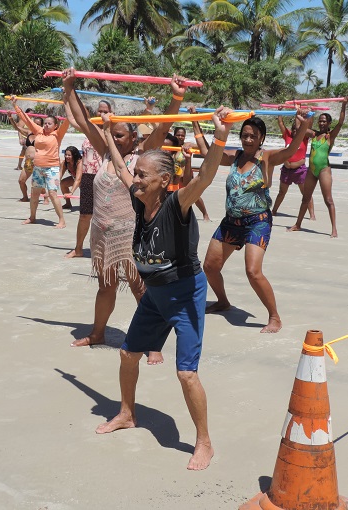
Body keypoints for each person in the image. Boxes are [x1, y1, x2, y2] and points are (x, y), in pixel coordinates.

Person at [93, 107, 234, 471]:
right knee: (127, 355)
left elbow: (203, 177)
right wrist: (109, 132)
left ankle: (204, 442)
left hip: (185, 296)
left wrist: (219, 136)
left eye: (143, 176)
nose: (135, 181)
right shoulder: (141, 203)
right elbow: (120, 165)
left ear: (162, 179)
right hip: (155, 296)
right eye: (136, 175)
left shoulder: (176, 205)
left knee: (186, 372)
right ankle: (127, 413)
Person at [63, 68, 187, 363]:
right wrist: (69, 87)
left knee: (140, 288)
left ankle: (153, 342)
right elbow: (82, 121)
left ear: (133, 135)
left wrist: (176, 97)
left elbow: (163, 125)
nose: (115, 140)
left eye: (120, 136)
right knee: (105, 286)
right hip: (103, 231)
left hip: (132, 234)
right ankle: (98, 333)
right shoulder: (106, 152)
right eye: (113, 135)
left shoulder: (142, 157)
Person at [199, 112, 314, 333]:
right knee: (210, 267)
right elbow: (208, 153)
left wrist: (305, 125)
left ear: (261, 138)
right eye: (245, 135)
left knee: (253, 271)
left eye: (253, 136)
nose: (248, 140)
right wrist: (196, 122)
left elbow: (290, 151)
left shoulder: (266, 157)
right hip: (231, 223)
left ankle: (274, 317)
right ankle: (223, 301)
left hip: (257, 222)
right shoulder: (235, 157)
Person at [288, 99, 348, 237]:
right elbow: (299, 129)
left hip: (323, 170)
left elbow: (340, 123)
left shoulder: (329, 136)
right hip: (311, 170)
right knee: (305, 198)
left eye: (324, 121)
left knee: (328, 200)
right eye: (320, 121)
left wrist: (343, 105)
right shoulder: (313, 134)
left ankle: (334, 229)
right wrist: (298, 112)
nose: (321, 123)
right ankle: (298, 224)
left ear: (328, 124)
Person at [62, 100, 113, 258]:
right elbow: (72, 119)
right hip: (88, 177)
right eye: (99, 111)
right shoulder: (90, 129)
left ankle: (108, 250)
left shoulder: (113, 129)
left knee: (107, 217)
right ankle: (78, 249)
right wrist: (66, 100)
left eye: (105, 111)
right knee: (85, 214)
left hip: (105, 176)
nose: (101, 114)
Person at [10, 99, 70, 228]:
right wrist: (15, 105)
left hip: (52, 169)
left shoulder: (58, 134)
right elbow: (26, 119)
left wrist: (68, 103)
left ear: (55, 126)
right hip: (38, 168)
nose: (46, 125)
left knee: (53, 193)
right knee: (35, 193)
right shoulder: (39, 131)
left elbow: (68, 119)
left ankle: (62, 220)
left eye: (49, 124)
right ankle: (32, 217)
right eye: (46, 123)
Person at [271, 112, 315, 219]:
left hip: (299, 170)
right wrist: (280, 112)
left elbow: (309, 125)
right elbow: (281, 123)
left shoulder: (303, 137)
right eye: (294, 129)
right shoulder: (288, 136)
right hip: (286, 170)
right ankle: (274, 211)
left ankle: (312, 215)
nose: (295, 131)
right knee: (281, 192)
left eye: (297, 129)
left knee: (305, 193)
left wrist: (310, 114)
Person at [10, 113, 43, 201]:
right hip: (28, 162)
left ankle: (46, 197)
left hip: (38, 162)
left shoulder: (43, 134)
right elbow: (16, 127)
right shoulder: (28, 132)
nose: (36, 125)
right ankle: (25, 197)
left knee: (38, 183)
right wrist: (10, 117)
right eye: (35, 123)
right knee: (21, 180)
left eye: (38, 124)